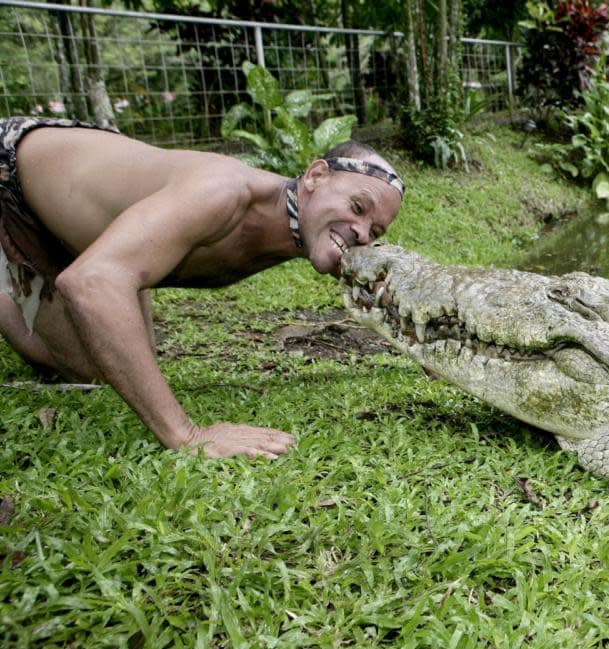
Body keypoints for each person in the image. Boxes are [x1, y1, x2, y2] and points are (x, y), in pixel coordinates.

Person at [0, 117, 404, 459]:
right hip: (14, 174)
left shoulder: (306, 227)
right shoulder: (223, 192)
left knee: (104, 361)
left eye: (375, 230)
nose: (361, 233)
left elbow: (374, 290)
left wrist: (416, 341)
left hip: (83, 226)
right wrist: (188, 436)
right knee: (100, 325)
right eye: (357, 207)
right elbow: (91, 282)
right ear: (316, 176)